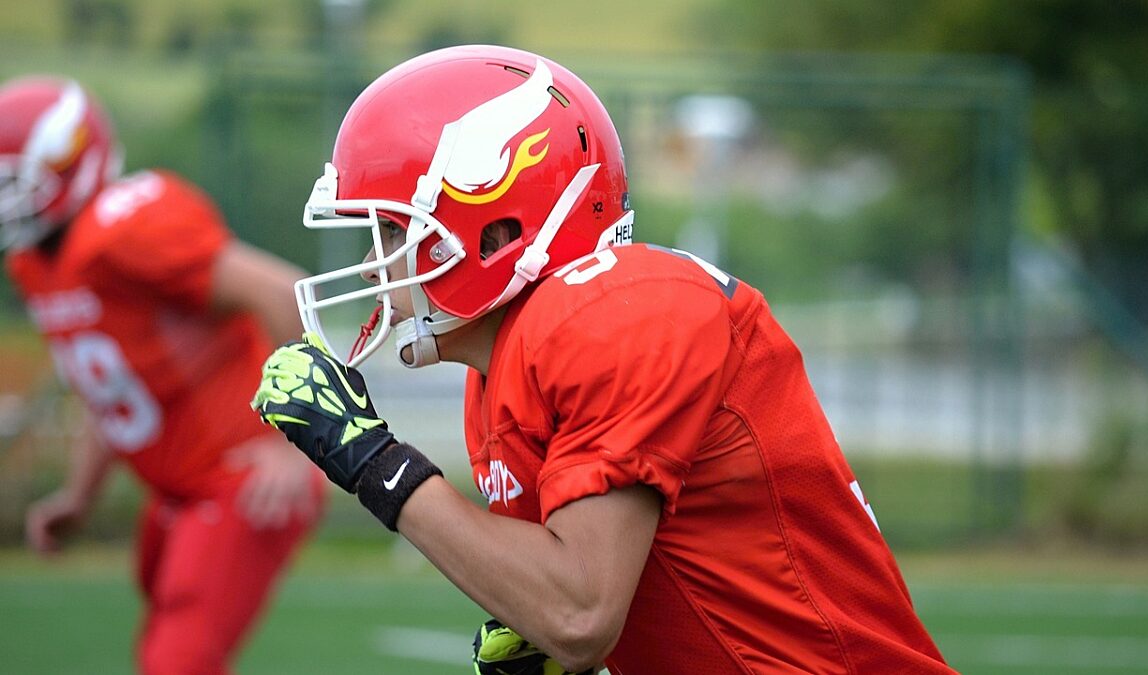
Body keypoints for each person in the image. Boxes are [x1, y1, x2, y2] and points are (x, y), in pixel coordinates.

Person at [254, 44, 954, 674]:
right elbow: (583, 605)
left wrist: (373, 461)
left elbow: (579, 612)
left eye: (391, 231)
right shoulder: (501, 371)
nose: (373, 265)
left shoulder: (615, 313)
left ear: (494, 228)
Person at [1, 76, 325, 675]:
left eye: (16, 184)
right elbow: (112, 389)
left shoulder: (125, 230)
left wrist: (299, 444)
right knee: (164, 646)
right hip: (178, 489)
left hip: (242, 476)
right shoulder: (34, 263)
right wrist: (80, 494)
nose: (7, 202)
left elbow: (284, 293)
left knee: (177, 660)